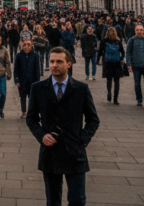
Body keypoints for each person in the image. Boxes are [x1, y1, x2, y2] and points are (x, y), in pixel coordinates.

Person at [26, 47, 100, 206]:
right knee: (53, 201)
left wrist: (82, 140)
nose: (54, 65)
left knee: (77, 200)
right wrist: (41, 135)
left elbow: (93, 119)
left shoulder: (81, 89)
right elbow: (31, 118)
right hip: (50, 152)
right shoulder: (38, 88)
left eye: (59, 61)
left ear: (68, 64)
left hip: (75, 152)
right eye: (52, 61)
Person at [14, 39, 43, 119]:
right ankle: (23, 112)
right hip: (22, 80)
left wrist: (37, 81)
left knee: (32, 97)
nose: (26, 46)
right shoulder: (19, 55)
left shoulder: (35, 56)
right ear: (22, 46)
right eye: (25, 45)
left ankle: (31, 112)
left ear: (31, 46)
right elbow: (16, 69)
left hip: (32, 80)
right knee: (22, 96)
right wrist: (16, 80)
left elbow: (37, 70)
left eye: (28, 45)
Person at [97, 28, 125, 104]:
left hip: (107, 62)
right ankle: (115, 99)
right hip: (117, 63)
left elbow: (100, 51)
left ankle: (109, 93)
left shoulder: (104, 41)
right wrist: (121, 59)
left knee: (109, 80)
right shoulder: (118, 41)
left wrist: (98, 60)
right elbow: (122, 52)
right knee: (117, 81)